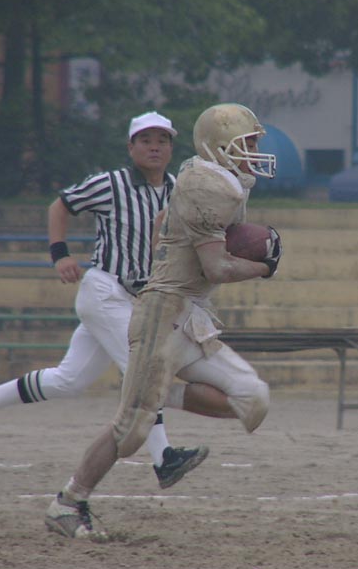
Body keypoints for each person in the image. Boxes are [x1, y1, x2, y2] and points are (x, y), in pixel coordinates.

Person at [44, 102, 282, 539]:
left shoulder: (213, 179)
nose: (252, 153)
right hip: (162, 314)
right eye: (246, 144)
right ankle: (68, 502)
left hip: (189, 315)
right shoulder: (210, 185)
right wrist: (266, 265)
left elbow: (160, 221)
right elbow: (217, 268)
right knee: (132, 430)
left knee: (253, 398)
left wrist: (168, 250)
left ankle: (160, 392)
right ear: (220, 146)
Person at [0, 111, 210, 490]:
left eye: (162, 140)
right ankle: (164, 458)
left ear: (172, 148)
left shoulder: (176, 188)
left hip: (137, 299)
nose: (155, 147)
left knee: (70, 380)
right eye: (145, 140)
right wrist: (60, 254)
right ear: (131, 147)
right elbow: (60, 206)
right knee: (144, 368)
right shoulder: (111, 183)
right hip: (105, 290)